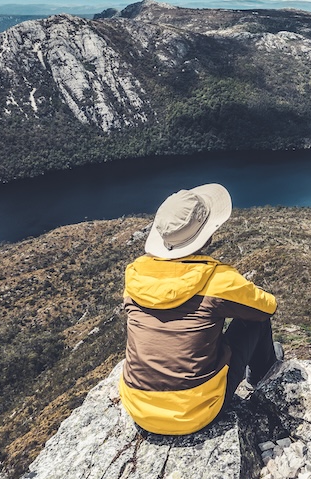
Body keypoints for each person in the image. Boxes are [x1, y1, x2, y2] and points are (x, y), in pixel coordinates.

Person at [118, 183, 279, 436]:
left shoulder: (136, 276)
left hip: (139, 408)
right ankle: (263, 378)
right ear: (208, 232)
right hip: (196, 412)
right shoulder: (218, 279)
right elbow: (268, 307)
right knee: (254, 320)